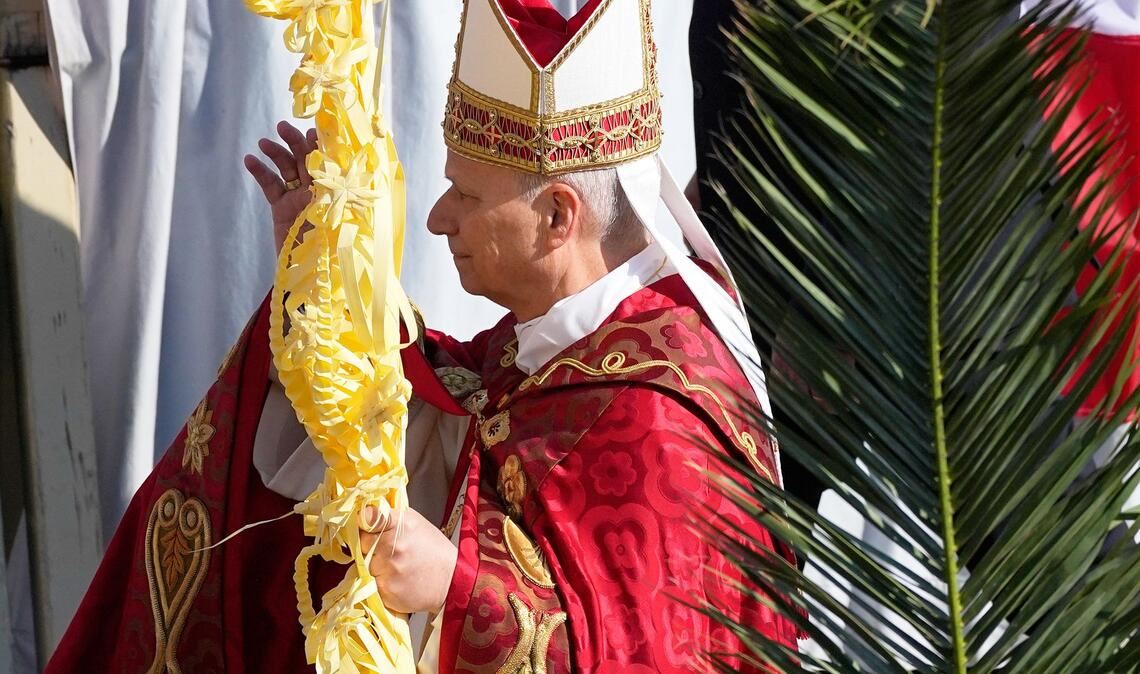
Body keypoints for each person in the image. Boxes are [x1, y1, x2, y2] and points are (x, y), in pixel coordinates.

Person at [47, 1, 798, 672]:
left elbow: (646, 656)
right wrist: (324, 281)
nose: (438, 219)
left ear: (557, 217)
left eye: (465, 194)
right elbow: (447, 402)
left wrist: (453, 590)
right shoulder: (574, 334)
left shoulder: (664, 421)